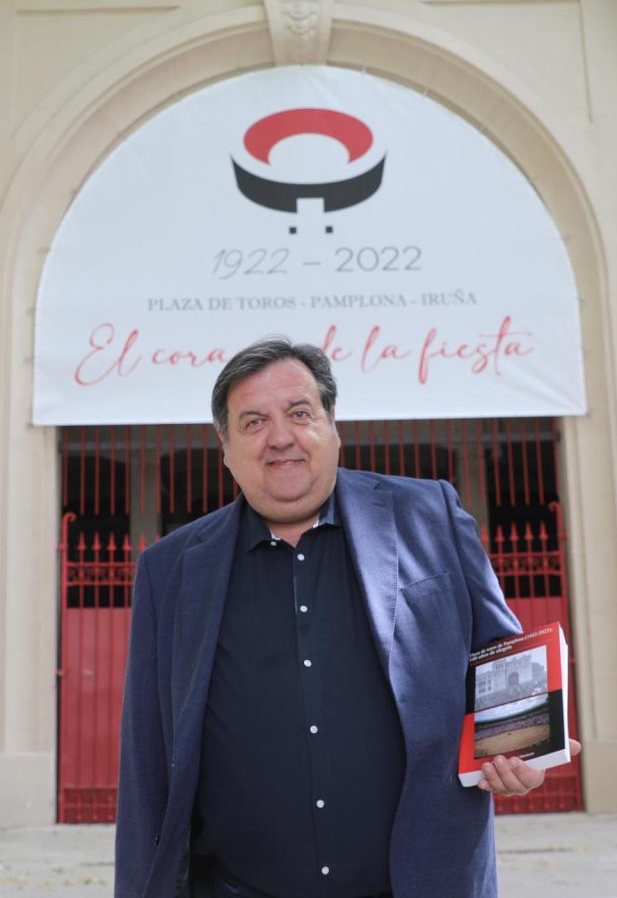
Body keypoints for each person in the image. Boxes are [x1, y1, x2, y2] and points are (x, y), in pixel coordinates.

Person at [113, 337, 575, 898]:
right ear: (225, 448)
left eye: (300, 413)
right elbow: (146, 767)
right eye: (253, 422)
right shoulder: (170, 570)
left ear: (333, 425)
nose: (280, 437)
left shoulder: (430, 516)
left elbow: (499, 662)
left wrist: (523, 749)